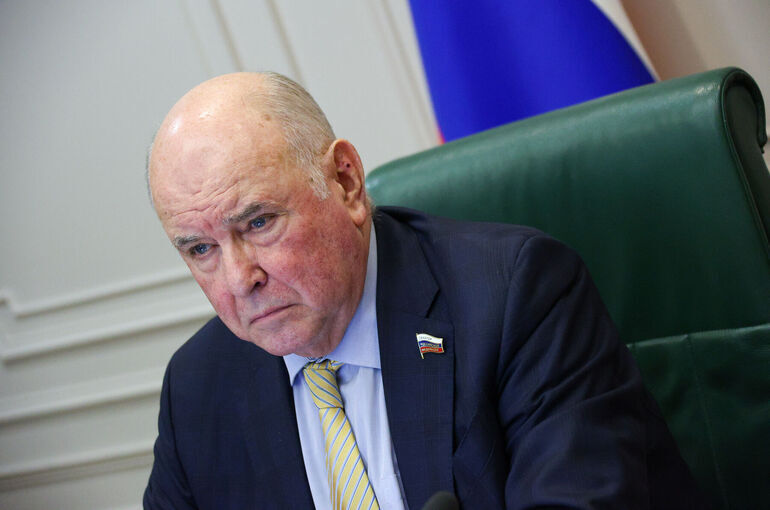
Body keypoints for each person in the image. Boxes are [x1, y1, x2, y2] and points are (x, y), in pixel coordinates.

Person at [144, 72, 707, 509]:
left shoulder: (517, 297)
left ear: (346, 182)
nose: (239, 279)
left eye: (259, 222)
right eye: (200, 249)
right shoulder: (198, 388)